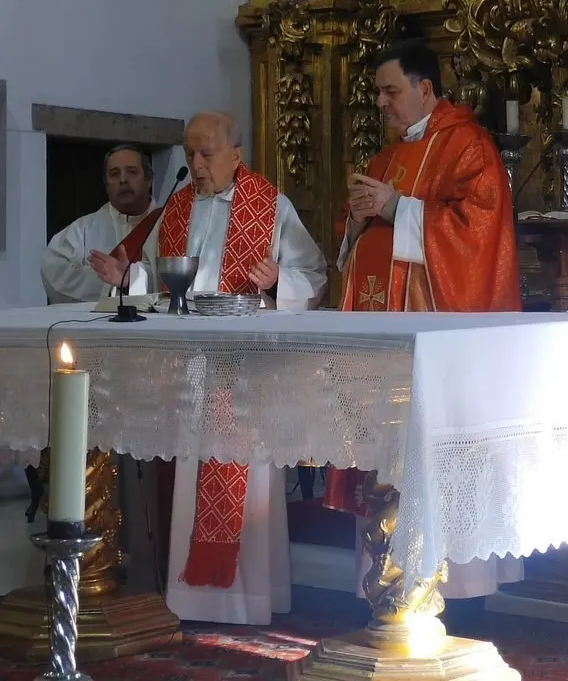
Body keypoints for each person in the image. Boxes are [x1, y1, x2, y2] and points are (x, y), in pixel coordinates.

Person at [325, 39, 522, 629]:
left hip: (439, 351)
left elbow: (478, 231)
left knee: (441, 458)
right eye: (378, 93)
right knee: (388, 459)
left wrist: (397, 209)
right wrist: (357, 219)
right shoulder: (387, 157)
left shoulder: (469, 146)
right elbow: (353, 243)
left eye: (391, 91)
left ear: (426, 88)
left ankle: (459, 598)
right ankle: (386, 587)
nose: (382, 103)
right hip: (385, 350)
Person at [103, 111, 327, 625]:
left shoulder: (269, 205)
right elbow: (156, 279)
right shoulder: (177, 207)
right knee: (187, 481)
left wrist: (277, 280)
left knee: (245, 480)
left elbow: (314, 274)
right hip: (189, 370)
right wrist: (126, 277)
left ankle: (250, 598)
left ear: (236, 155)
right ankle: (191, 597)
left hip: (246, 371)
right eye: (190, 154)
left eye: (207, 154)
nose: (197, 164)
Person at [41, 144, 157, 303]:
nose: (123, 180)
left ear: (148, 180)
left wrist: (133, 279)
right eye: (114, 174)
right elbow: (54, 276)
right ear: (106, 184)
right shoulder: (81, 230)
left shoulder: (169, 225)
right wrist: (108, 284)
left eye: (132, 172)